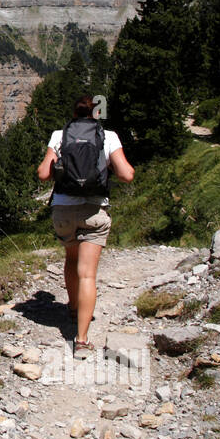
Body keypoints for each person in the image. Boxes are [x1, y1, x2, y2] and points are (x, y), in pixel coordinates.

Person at [36, 96, 134, 359]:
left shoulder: (60, 135)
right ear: (96, 114)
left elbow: (44, 174)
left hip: (63, 210)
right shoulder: (108, 136)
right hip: (94, 211)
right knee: (87, 274)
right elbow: (127, 174)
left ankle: (72, 307)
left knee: (71, 258)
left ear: (75, 113)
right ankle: (81, 340)